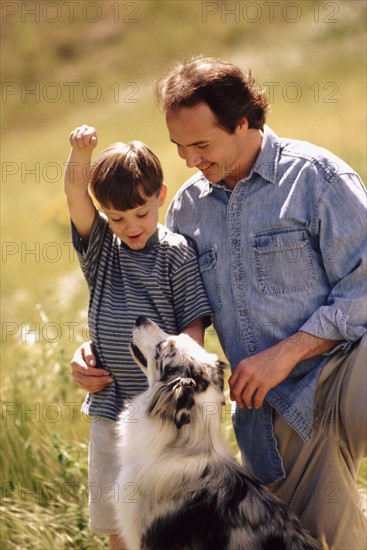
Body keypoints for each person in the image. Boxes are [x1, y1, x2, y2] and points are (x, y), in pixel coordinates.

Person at [70, 58, 367, 548]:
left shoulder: (318, 179)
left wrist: (287, 351)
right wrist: (96, 347)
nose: (189, 159)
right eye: (179, 147)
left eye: (201, 144)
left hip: (350, 368)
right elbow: (156, 301)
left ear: (244, 121)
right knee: (324, 541)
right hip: (280, 409)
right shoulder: (187, 208)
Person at [64, 124, 212, 550]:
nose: (130, 226)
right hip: (112, 409)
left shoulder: (176, 253)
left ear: (160, 195)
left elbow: (193, 330)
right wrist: (80, 155)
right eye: (117, 218)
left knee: (171, 522)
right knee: (120, 524)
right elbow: (76, 197)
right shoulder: (101, 250)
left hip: (165, 416)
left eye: (141, 213)